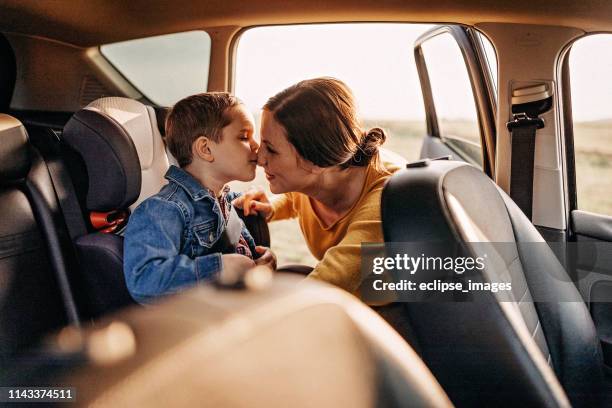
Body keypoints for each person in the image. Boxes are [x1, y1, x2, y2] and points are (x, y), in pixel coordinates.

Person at [233, 77, 404, 297]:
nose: (259, 159)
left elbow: (334, 275)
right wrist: (272, 208)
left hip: (387, 311)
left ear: (315, 160)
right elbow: (298, 199)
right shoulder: (320, 176)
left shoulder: (386, 198)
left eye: (272, 150)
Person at [124, 92, 276, 304]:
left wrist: (262, 260)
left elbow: (245, 255)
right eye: (243, 137)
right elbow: (144, 281)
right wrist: (218, 268)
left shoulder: (227, 202)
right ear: (205, 149)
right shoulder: (163, 210)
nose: (256, 146)